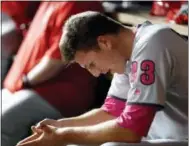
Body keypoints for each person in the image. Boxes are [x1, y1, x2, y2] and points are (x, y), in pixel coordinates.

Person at [16, 11, 188, 146]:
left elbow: (131, 130)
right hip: (164, 137)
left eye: (91, 64)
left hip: (184, 138)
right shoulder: (126, 55)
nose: (96, 73)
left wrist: (64, 136)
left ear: (104, 42)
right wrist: (60, 126)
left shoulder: (153, 43)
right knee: (77, 144)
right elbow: (112, 112)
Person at [2, 3, 104, 146]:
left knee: (3, 121)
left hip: (55, 91)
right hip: (30, 85)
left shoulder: (77, 4)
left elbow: (57, 60)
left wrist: (25, 81)